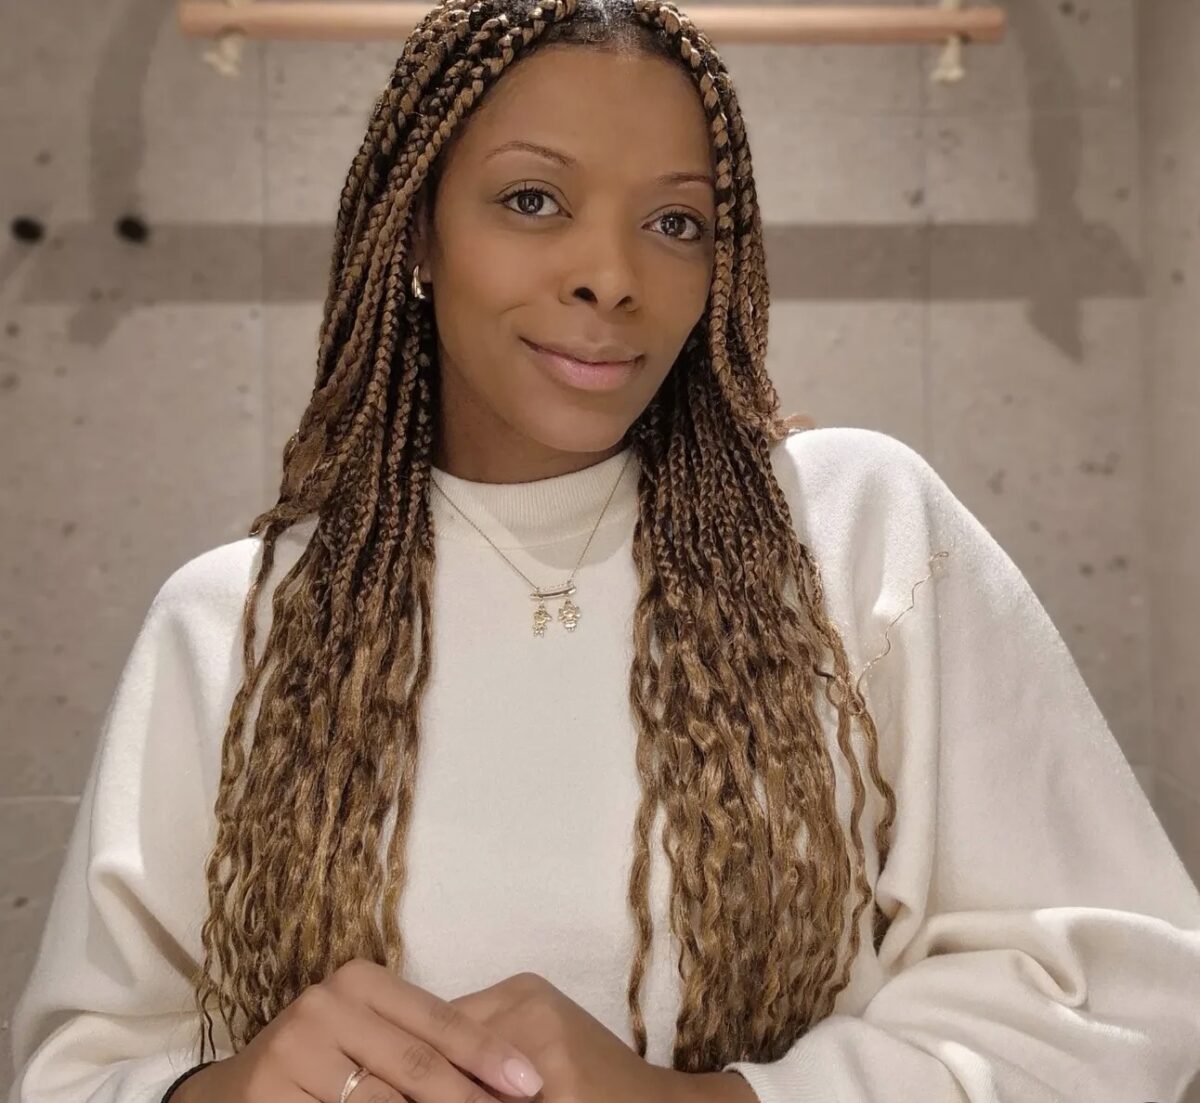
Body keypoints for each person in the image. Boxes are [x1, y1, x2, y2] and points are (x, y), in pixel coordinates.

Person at [10, 0, 1200, 1100]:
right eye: (533, 199)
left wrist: (702, 1100)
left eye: (676, 223)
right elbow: (73, 1071)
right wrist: (222, 1089)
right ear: (418, 229)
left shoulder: (858, 532)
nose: (612, 277)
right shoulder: (233, 624)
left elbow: (1124, 992)